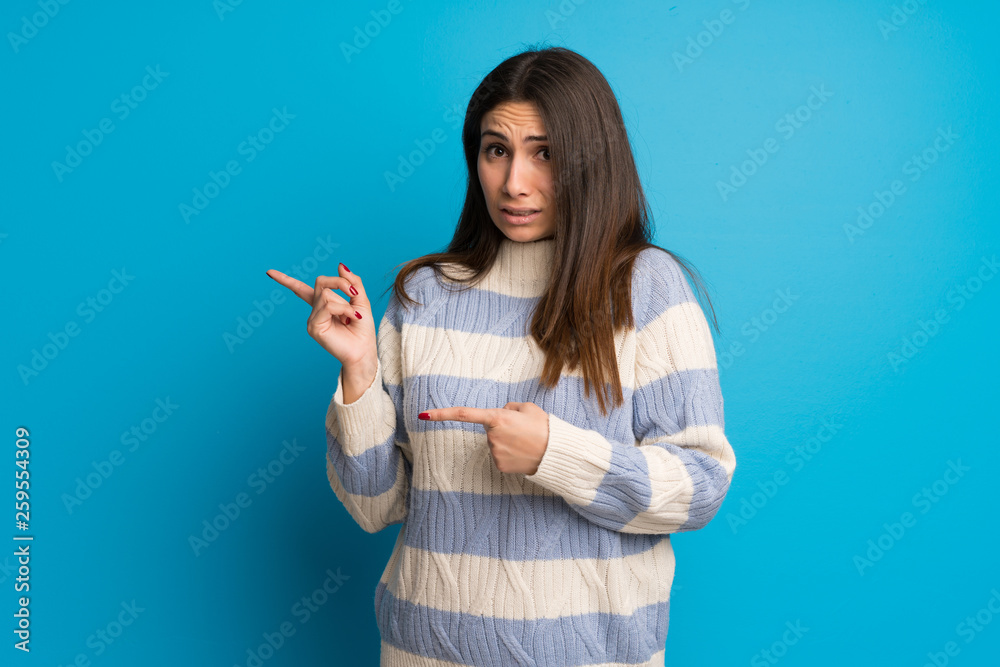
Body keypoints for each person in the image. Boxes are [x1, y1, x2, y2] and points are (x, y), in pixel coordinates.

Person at [267, 45, 736, 667]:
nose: (514, 182)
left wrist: (554, 454)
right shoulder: (425, 294)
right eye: (496, 150)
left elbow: (700, 488)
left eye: (545, 153)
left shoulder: (645, 289)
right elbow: (376, 507)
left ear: (592, 160)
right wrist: (358, 374)